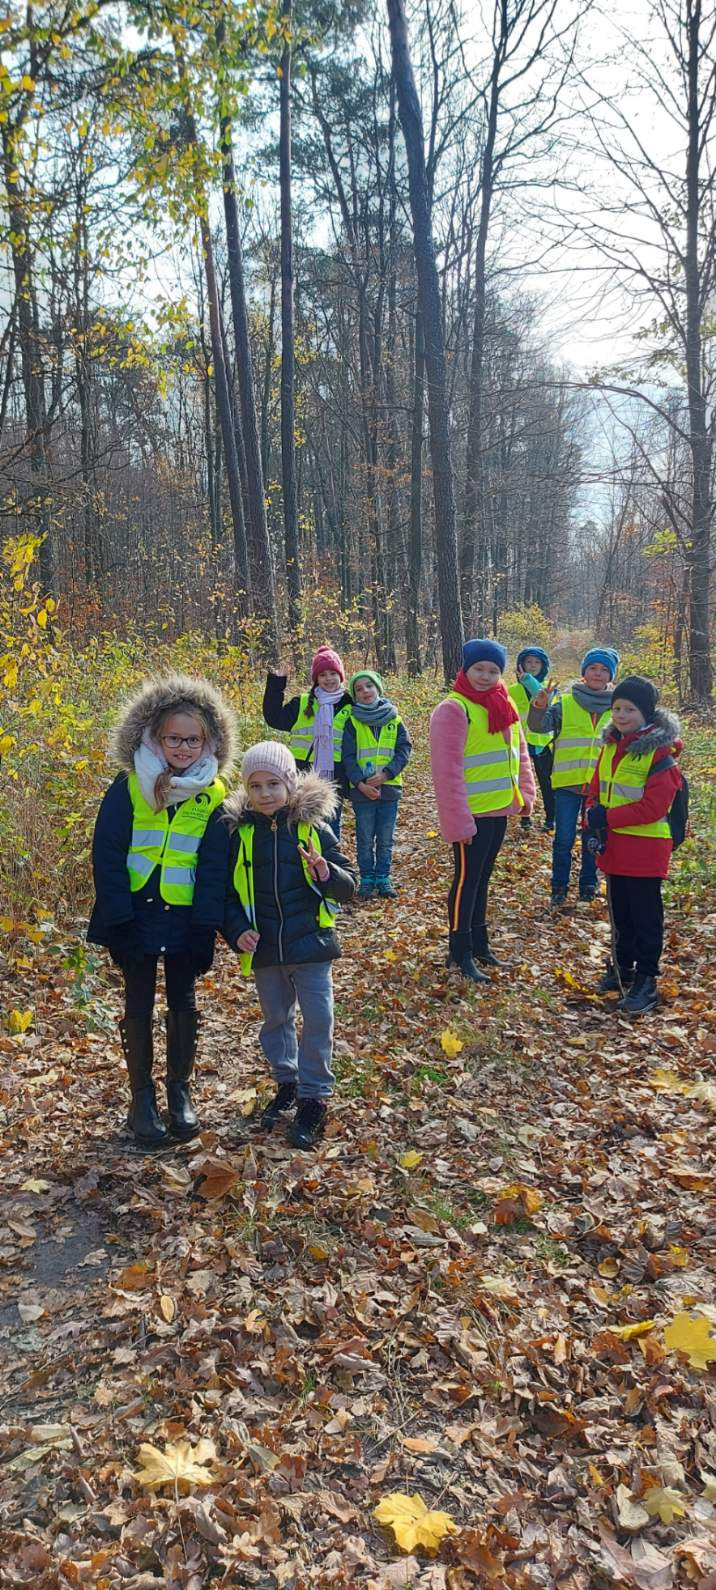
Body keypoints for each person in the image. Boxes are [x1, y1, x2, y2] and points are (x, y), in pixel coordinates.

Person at [88, 675, 236, 1150]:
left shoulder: (214, 793)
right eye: (173, 738)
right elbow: (107, 853)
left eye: (192, 739)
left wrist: (206, 928)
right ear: (154, 737)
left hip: (184, 916)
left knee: (182, 1000)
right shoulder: (130, 785)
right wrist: (117, 919)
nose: (182, 747)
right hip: (133, 913)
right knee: (137, 1002)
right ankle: (141, 1098)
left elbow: (216, 867)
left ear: (208, 741)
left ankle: (179, 1089)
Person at [224, 742, 356, 1149]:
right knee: (276, 1020)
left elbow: (348, 886)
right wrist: (235, 930)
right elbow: (227, 894)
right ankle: (287, 1081)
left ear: (291, 782)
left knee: (318, 1019)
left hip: (312, 943)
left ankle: (314, 1096)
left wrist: (325, 871)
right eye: (255, 785)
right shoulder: (240, 834)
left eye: (273, 784)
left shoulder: (314, 828)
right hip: (264, 947)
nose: (265, 794)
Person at [429, 639, 535, 982]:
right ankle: (459, 952)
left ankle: (479, 945)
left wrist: (526, 793)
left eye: (493, 670)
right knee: (466, 881)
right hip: (470, 816)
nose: (486, 676)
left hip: (498, 809)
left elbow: (520, 751)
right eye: (479, 669)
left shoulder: (503, 704)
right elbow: (447, 772)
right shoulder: (453, 709)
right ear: (465, 669)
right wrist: (459, 822)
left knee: (483, 879)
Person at [584, 676, 683, 1015]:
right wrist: (591, 814)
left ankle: (647, 980)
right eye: (617, 708)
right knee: (620, 914)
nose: (622, 715)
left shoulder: (659, 755)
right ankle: (621, 967)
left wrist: (605, 817)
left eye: (630, 709)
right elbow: (596, 788)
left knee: (645, 917)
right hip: (615, 849)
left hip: (645, 851)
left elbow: (653, 808)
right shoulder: (611, 745)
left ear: (647, 713)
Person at [529, 646, 619, 906]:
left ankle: (588, 885)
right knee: (564, 839)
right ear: (584, 673)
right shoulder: (565, 703)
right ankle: (558, 886)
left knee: (593, 839)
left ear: (611, 675)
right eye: (593, 668)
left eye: (604, 670)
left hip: (600, 790)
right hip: (567, 785)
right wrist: (539, 705)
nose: (598, 674)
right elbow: (538, 726)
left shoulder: (618, 708)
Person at [262, 647, 353, 838]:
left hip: (334, 778)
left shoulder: (351, 705)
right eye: (323, 675)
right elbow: (273, 717)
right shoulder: (303, 703)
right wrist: (277, 683)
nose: (328, 679)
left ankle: (329, 865)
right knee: (301, 827)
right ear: (316, 679)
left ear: (341, 676)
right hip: (302, 776)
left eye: (333, 673)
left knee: (331, 828)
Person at [341, 669, 412, 899]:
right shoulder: (352, 721)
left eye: (369, 686)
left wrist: (387, 774)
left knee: (385, 838)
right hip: (362, 793)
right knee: (364, 838)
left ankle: (383, 877)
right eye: (359, 689)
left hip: (389, 789)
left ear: (378, 688)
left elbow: (404, 750)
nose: (365, 691)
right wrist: (361, 784)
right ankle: (367, 879)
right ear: (354, 695)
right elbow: (348, 757)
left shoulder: (394, 718)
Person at [508, 645, 555, 833]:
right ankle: (525, 816)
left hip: (542, 743)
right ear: (521, 665)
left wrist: (529, 682)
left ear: (543, 666)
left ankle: (551, 817)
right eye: (529, 662)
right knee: (522, 782)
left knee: (547, 782)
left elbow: (546, 703)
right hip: (520, 743)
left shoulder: (548, 688)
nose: (533, 665)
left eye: (537, 662)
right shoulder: (512, 690)